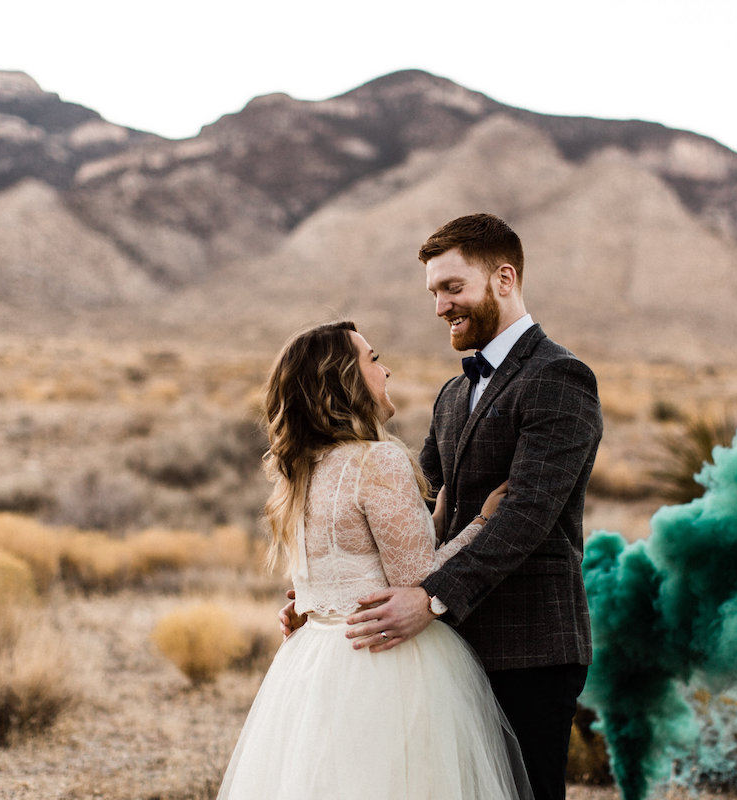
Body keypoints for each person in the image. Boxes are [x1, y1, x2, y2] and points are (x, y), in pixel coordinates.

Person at [282, 214, 604, 800]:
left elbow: (526, 514)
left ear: (503, 279)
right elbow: (410, 499)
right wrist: (331, 586)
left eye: (453, 288)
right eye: (433, 292)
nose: (440, 307)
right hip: (445, 644)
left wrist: (430, 598)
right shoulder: (455, 392)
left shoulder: (559, 377)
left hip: (527, 643)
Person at [219, 320, 531, 800]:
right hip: (384, 662)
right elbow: (418, 582)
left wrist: (434, 517)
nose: (385, 371)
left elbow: (338, 568)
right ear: (344, 379)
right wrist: (481, 524)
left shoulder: (301, 470)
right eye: (373, 359)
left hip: (314, 662)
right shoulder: (376, 462)